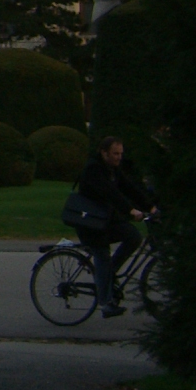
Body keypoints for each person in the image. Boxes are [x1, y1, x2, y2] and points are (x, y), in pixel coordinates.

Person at [76, 135, 156, 317]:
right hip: (90, 223)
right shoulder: (93, 169)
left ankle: (108, 274)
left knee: (133, 236)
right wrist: (130, 210)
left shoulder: (113, 169)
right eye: (115, 153)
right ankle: (106, 303)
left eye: (121, 153)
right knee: (102, 255)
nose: (119, 157)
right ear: (104, 153)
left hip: (105, 219)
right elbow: (111, 193)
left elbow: (128, 188)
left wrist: (149, 206)